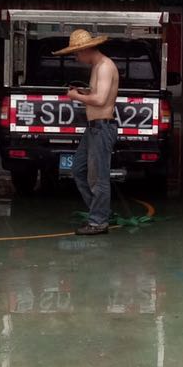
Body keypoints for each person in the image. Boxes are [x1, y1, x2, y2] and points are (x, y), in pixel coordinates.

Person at [58, 28, 120, 236]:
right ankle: (100, 211)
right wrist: (84, 93)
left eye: (77, 53)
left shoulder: (103, 67)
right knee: (78, 169)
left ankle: (98, 221)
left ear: (86, 49)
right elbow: (98, 95)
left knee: (97, 178)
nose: (76, 57)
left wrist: (76, 97)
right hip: (94, 128)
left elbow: (101, 100)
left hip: (101, 127)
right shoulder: (98, 66)